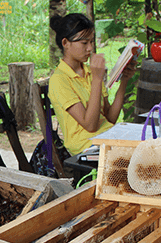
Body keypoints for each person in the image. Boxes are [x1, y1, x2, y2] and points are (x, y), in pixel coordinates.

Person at [48, 13, 136, 156]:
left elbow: (110, 119)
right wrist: (97, 79)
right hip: (87, 148)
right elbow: (90, 125)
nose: (90, 48)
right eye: (84, 43)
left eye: (91, 42)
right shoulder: (59, 80)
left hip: (107, 138)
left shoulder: (89, 72)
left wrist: (124, 80)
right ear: (65, 43)